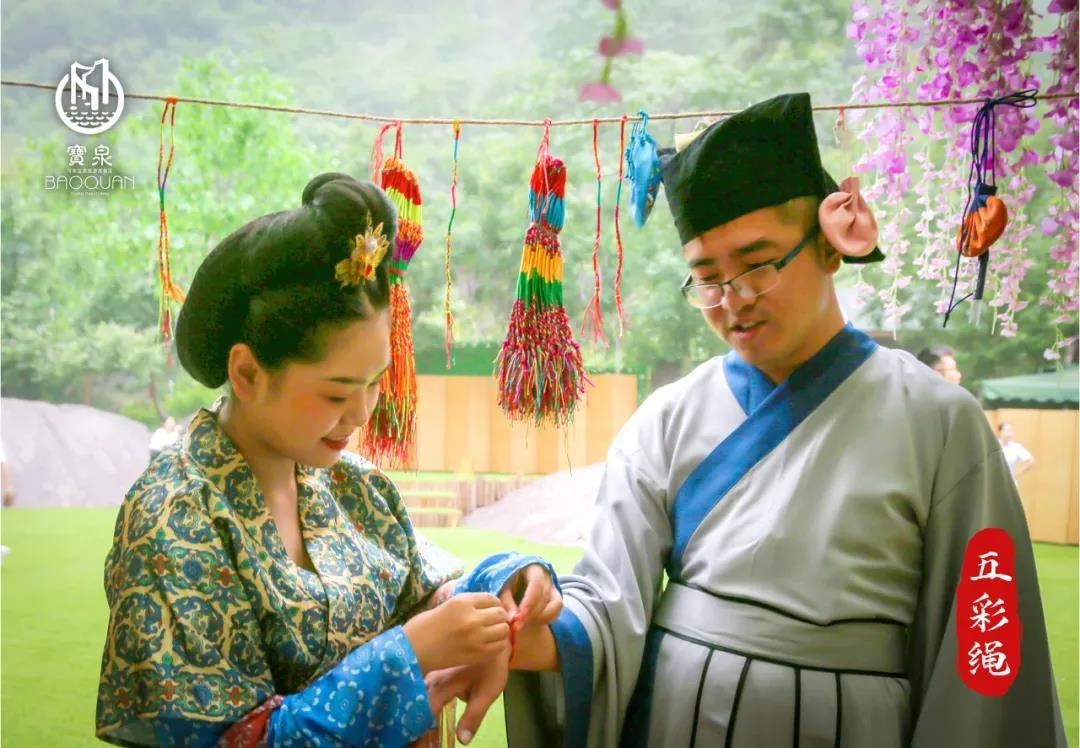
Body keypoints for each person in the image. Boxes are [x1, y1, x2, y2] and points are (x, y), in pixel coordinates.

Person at [494, 94, 1065, 746]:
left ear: (829, 247)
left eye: (757, 265)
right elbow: (605, 602)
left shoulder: (939, 421)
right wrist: (520, 611)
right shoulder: (668, 419)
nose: (732, 300)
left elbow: (986, 640)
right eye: (707, 278)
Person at [95, 173, 562, 747]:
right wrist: (409, 655)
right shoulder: (173, 517)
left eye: (374, 383)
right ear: (247, 372)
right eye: (337, 394)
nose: (361, 414)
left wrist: (503, 586)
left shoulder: (354, 486)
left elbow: (424, 589)